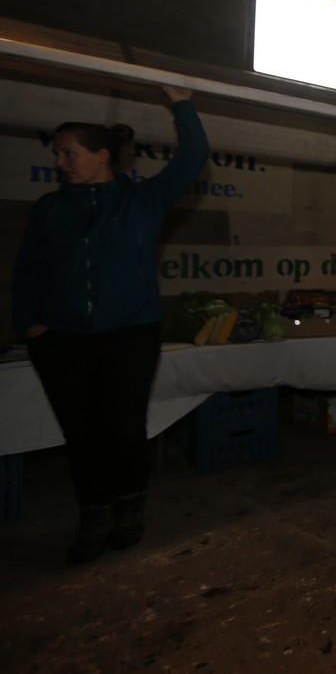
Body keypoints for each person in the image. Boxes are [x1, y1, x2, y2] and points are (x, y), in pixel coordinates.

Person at [12, 86, 210, 565]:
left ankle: (128, 506)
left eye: (69, 153)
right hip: (62, 340)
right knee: (80, 432)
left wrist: (180, 102)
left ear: (101, 156)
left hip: (129, 335)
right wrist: (31, 325)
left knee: (123, 427)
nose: (60, 162)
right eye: (57, 154)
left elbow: (194, 155)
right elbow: (28, 270)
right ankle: (93, 513)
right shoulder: (50, 208)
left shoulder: (142, 200)